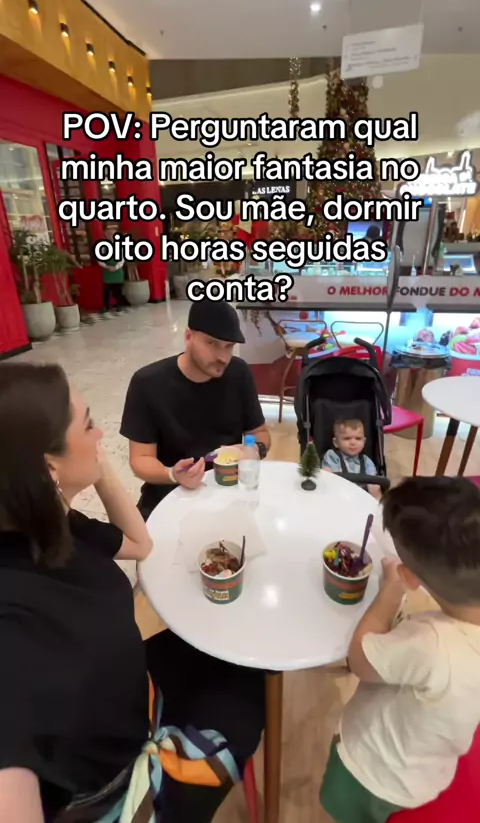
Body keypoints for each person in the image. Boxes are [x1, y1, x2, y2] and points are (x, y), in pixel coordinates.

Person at [0, 363, 265, 823]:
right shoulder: (13, 624)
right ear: (48, 466)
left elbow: (139, 544)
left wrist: (95, 468)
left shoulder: (47, 522)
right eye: (88, 425)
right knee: (248, 683)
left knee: (236, 647)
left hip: (129, 688)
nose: (101, 434)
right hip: (126, 782)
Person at [320, 477, 480, 823]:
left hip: (372, 774)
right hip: (430, 768)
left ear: (410, 575)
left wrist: (391, 591)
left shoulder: (432, 645)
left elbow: (360, 660)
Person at [121, 299, 271, 520]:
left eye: (229, 346)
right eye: (212, 344)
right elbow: (140, 458)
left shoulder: (239, 373)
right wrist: (172, 474)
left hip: (226, 491)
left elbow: (259, 432)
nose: (223, 357)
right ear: (188, 337)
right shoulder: (148, 383)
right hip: (168, 495)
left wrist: (254, 450)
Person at [322, 418, 381, 498]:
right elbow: (332, 479)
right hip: (338, 495)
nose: (353, 443)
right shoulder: (332, 456)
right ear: (336, 443)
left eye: (358, 438)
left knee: (374, 485)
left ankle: (378, 503)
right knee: (326, 471)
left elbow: (372, 479)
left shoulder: (366, 461)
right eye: (347, 438)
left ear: (364, 441)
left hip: (361, 496)